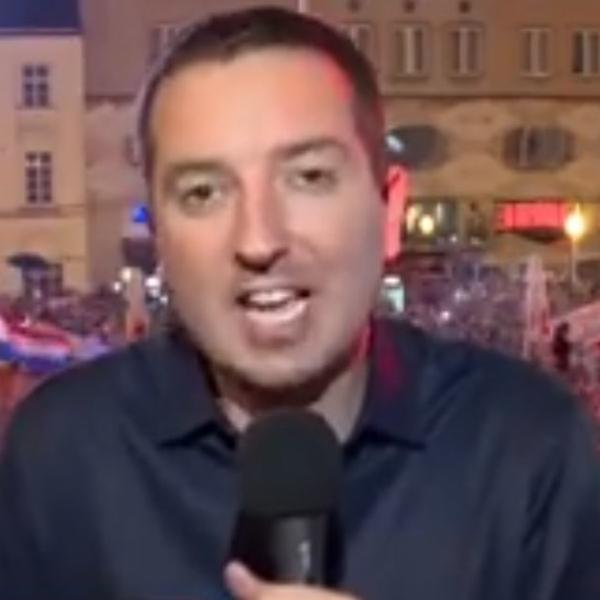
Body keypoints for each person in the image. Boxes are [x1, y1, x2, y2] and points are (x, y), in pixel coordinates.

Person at [1, 6, 600, 600]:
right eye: (203, 192)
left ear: (390, 210)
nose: (259, 240)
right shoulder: (63, 453)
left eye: (309, 177)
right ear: (157, 235)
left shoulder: (525, 447)